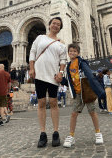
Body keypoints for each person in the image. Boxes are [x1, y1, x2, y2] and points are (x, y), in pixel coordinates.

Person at [29, 17, 67, 148]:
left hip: (53, 75)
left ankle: (56, 132)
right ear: (49, 25)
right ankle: (43, 133)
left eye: (58, 25)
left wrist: (61, 72)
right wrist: (31, 68)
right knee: (41, 102)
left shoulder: (61, 43)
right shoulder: (40, 38)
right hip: (39, 73)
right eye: (54, 23)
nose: (55, 26)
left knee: (53, 102)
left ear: (60, 28)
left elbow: (63, 59)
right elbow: (32, 52)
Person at [63, 43, 104, 148]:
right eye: (70, 51)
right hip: (77, 93)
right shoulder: (68, 66)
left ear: (78, 53)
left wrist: (99, 91)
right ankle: (71, 136)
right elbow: (69, 81)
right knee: (73, 114)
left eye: (74, 51)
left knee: (92, 112)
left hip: (86, 91)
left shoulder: (82, 63)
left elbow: (90, 76)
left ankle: (98, 133)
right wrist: (60, 80)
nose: (72, 52)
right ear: (68, 53)